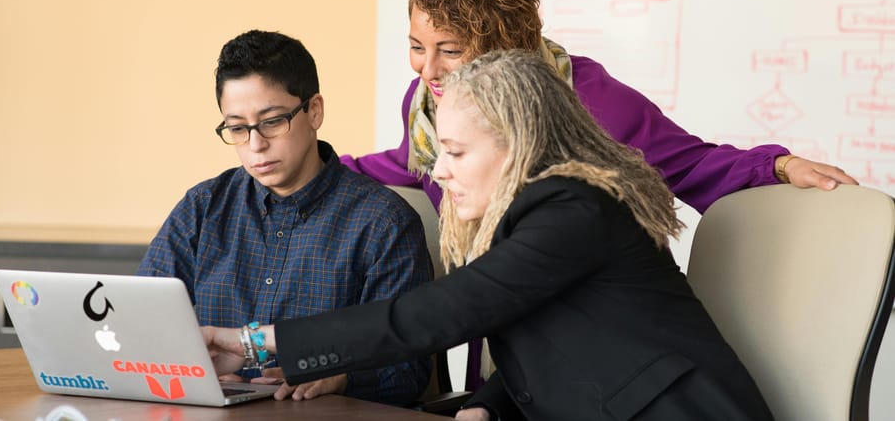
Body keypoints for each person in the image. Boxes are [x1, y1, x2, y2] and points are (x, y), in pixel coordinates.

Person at [339, 0, 858, 391]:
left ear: (502, 43)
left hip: (597, 350)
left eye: (450, 50)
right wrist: (325, 168)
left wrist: (780, 167)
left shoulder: (592, 100)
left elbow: (691, 163)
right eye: (416, 46)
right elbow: (412, 164)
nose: (427, 69)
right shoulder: (428, 105)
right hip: (509, 345)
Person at [203, 50, 775, 421]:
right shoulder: (533, 217)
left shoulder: (573, 208)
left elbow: (437, 314)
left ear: (518, 142)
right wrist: (488, 406)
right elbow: (553, 340)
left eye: (454, 152)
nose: (438, 171)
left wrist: (255, 343)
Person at [136, 30, 433, 405]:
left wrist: (342, 376)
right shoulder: (203, 208)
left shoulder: (383, 223)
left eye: (272, 121)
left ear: (315, 111)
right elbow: (141, 320)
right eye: (237, 128)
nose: (256, 144)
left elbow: (408, 371)